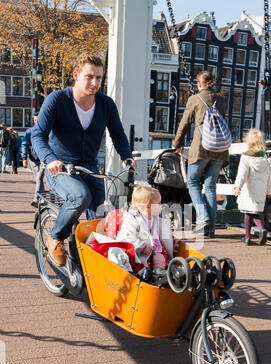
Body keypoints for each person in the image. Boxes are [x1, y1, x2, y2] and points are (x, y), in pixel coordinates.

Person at [31, 52, 136, 267]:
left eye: (99, 77)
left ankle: (91, 264)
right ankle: (56, 237)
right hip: (60, 169)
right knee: (80, 197)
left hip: (89, 167)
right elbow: (38, 134)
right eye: (89, 77)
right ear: (76, 75)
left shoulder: (106, 104)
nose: (95, 82)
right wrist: (50, 159)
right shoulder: (57, 100)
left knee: (102, 219)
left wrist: (127, 156)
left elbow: (118, 134)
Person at [173, 70, 229, 238]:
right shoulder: (222, 100)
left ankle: (203, 217)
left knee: (192, 181)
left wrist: (177, 144)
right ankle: (210, 229)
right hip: (220, 149)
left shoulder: (194, 99)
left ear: (199, 84)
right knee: (211, 186)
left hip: (202, 148)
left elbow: (184, 123)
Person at [116, 186, 179, 269]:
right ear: (148, 206)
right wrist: (142, 247)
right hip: (139, 252)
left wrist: (173, 241)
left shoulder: (157, 217)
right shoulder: (132, 218)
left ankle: (158, 277)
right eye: (159, 203)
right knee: (143, 265)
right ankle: (144, 277)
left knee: (159, 260)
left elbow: (162, 234)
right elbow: (128, 237)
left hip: (155, 250)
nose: (161, 205)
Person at [234, 129, 271, 246]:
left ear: (248, 142)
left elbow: (242, 174)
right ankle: (253, 234)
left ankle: (253, 233)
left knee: (248, 211)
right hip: (261, 189)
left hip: (248, 189)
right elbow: (269, 176)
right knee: (252, 211)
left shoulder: (246, 156)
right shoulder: (264, 157)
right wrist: (268, 191)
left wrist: (237, 186)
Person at [21, 113, 45, 207]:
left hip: (44, 159)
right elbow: (24, 144)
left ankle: (36, 199)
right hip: (33, 159)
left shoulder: (47, 130)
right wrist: (24, 158)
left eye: (38, 119)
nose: (37, 121)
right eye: (35, 120)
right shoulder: (30, 131)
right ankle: (43, 200)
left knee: (39, 178)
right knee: (39, 179)